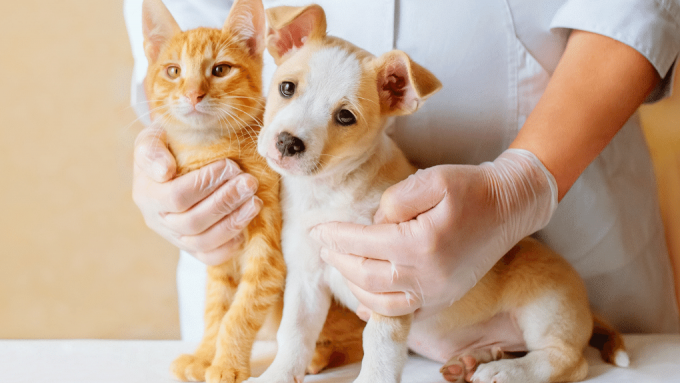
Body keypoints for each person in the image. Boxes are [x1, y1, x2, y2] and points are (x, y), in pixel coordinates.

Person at [125, 0, 680, 341]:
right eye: (288, 88)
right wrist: (167, 158)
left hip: (569, 204)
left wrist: (525, 184)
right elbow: (181, 38)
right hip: (268, 270)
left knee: (560, 341)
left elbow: (630, 11)